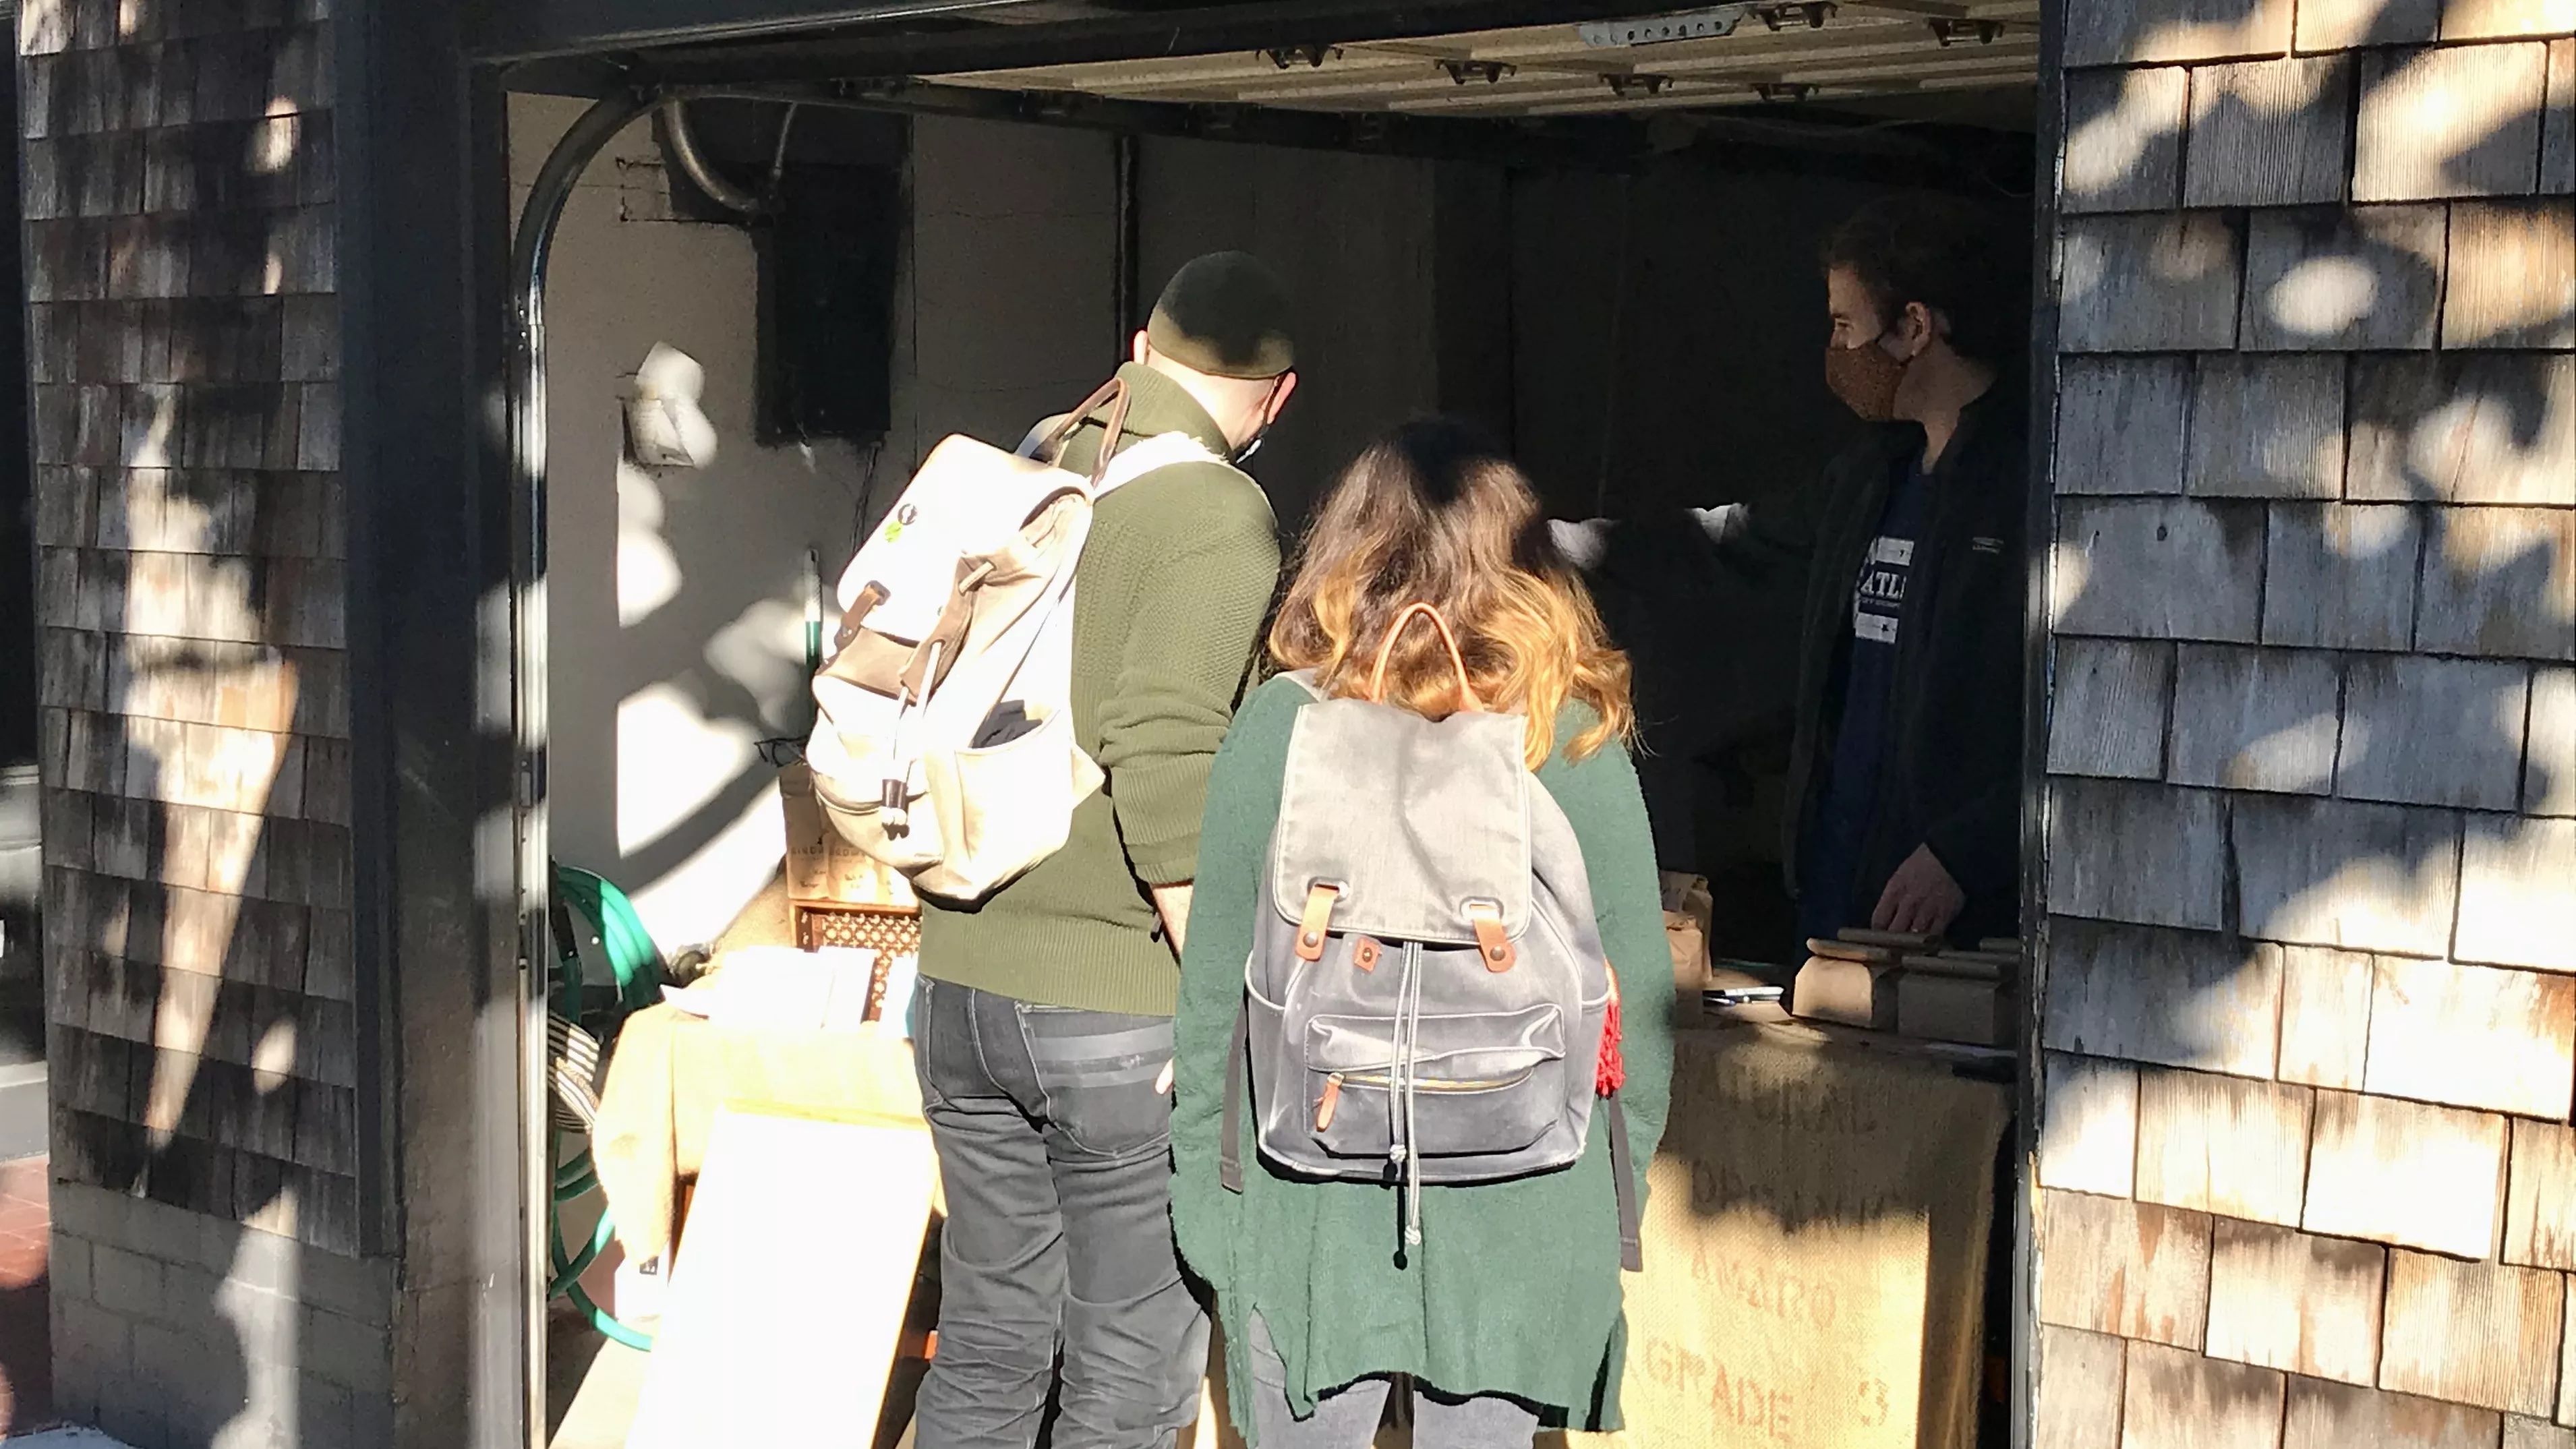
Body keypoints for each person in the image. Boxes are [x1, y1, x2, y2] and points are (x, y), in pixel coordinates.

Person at [1170, 419, 1674, 1448]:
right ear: (1530, 562)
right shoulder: (1565, 729)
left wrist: (1207, 1200)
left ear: (1343, 549)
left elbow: (1214, 989)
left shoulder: (1283, 727)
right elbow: (1641, 995)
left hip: (1304, 1196)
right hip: (1525, 1196)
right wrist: (1611, 1197)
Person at [908, 252, 1295, 1449]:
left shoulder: (1036, 470)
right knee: (1127, 1374)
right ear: (1281, 398)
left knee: (984, 1344)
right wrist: (1218, 1000)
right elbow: (1165, 758)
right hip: (1113, 1015)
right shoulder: (1214, 514)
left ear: (1138, 347)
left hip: (959, 984)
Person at [1784, 194, 2028, 947]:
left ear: (1915, 327)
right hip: (1836, 891)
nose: (1835, 352)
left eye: (1844, 326)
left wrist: (1968, 851)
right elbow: (1730, 541)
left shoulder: (2032, 490)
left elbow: (2093, 733)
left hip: (1946, 932)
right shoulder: (1868, 477)